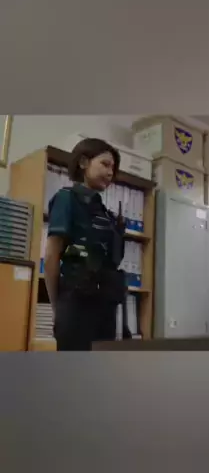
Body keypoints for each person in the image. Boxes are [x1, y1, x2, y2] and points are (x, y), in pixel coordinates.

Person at [44, 138, 128, 351]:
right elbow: (52, 256)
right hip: (76, 303)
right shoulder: (67, 198)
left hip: (105, 306)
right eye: (105, 164)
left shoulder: (106, 214)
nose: (110, 173)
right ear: (83, 163)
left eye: (113, 168)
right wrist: (56, 306)